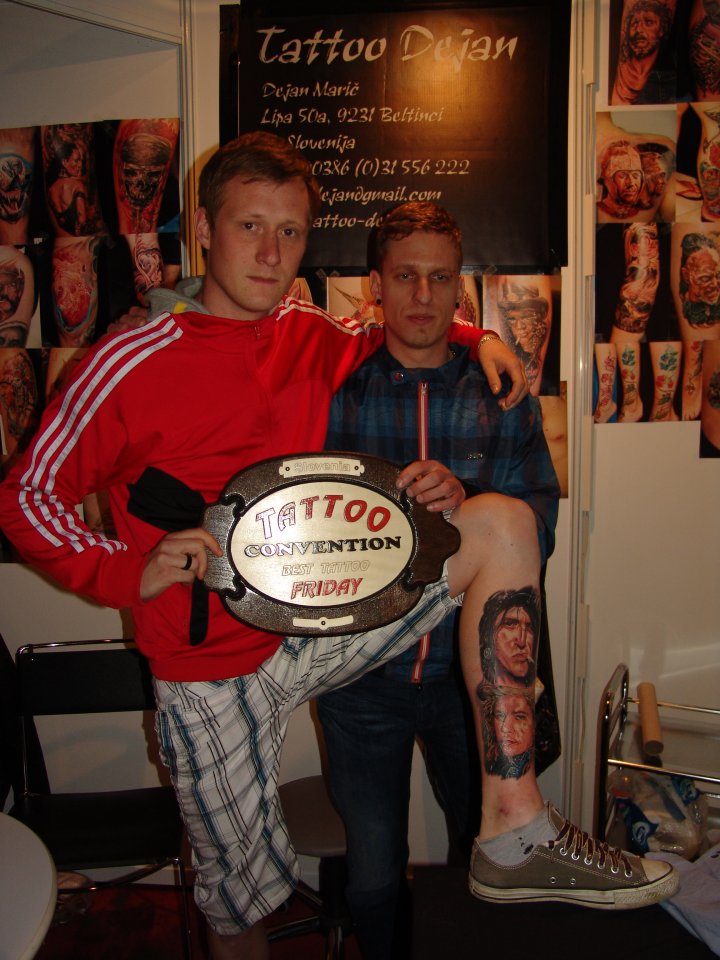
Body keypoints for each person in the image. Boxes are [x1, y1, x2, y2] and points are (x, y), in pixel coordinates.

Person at [0, 131, 532, 960]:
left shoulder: (307, 332)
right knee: (239, 902)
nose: (272, 253)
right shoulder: (127, 362)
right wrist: (126, 571)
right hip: (206, 671)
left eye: (290, 232)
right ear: (203, 230)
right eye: (250, 226)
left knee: (501, 523)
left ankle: (513, 816)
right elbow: (26, 497)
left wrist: (477, 337)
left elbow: (390, 327)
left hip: (313, 630)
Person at [316, 202, 560, 960]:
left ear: (462, 287)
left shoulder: (502, 389)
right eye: (405, 277)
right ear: (375, 285)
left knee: (484, 857)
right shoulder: (336, 388)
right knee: (372, 874)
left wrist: (470, 508)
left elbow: (539, 524)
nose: (423, 296)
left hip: (468, 683)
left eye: (441, 278)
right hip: (361, 681)